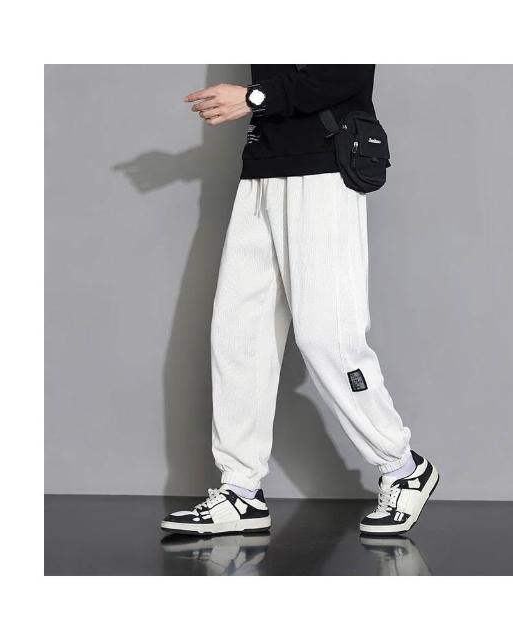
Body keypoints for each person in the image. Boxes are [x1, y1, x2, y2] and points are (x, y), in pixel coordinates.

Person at [161, 65, 439, 537]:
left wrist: (252, 98)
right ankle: (241, 490)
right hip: (262, 170)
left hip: (324, 169)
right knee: (238, 337)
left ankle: (402, 466)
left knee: (328, 337)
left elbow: (347, 72)